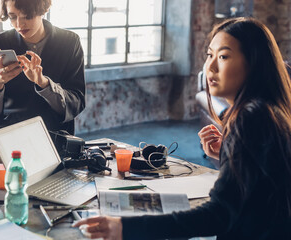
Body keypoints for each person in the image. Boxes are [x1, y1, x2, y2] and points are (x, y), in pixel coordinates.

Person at [73, 17, 291, 239]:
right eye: (209, 55)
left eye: (224, 56)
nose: (211, 67)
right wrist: (228, 153)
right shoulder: (269, 110)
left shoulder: (251, 117)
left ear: (254, 63)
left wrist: (124, 228)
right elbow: (257, 190)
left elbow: (218, 215)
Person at [0, 0, 85, 162]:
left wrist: (43, 83)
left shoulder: (69, 43)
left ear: (42, 10)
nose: (19, 24)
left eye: (27, 16)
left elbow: (76, 103)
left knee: (43, 146)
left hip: (45, 122)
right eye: (13, 16)